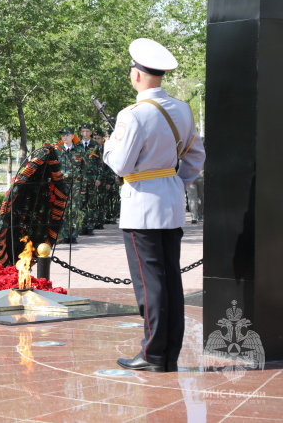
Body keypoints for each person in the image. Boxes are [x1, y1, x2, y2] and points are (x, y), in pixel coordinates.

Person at [103, 38, 205, 372]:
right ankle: (168, 351)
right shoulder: (183, 109)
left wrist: (108, 145)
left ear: (136, 76)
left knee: (151, 284)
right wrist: (174, 182)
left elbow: (120, 164)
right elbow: (195, 158)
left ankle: (152, 354)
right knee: (170, 279)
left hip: (141, 206)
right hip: (171, 203)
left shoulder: (132, 115)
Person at [55, 127, 84, 244]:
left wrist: (83, 186)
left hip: (75, 185)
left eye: (67, 135)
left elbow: (83, 169)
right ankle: (66, 234)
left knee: (75, 210)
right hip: (62, 184)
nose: (65, 137)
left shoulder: (79, 151)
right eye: (63, 135)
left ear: (73, 136)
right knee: (64, 210)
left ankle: (74, 235)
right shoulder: (57, 151)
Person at [76, 123, 102, 236]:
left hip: (92, 179)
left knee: (91, 204)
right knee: (81, 204)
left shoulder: (96, 146)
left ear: (91, 133)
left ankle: (90, 227)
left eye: (87, 131)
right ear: (81, 133)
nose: (85, 133)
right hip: (81, 180)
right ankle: (83, 227)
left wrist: (99, 178)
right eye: (83, 131)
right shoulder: (77, 146)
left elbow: (100, 164)